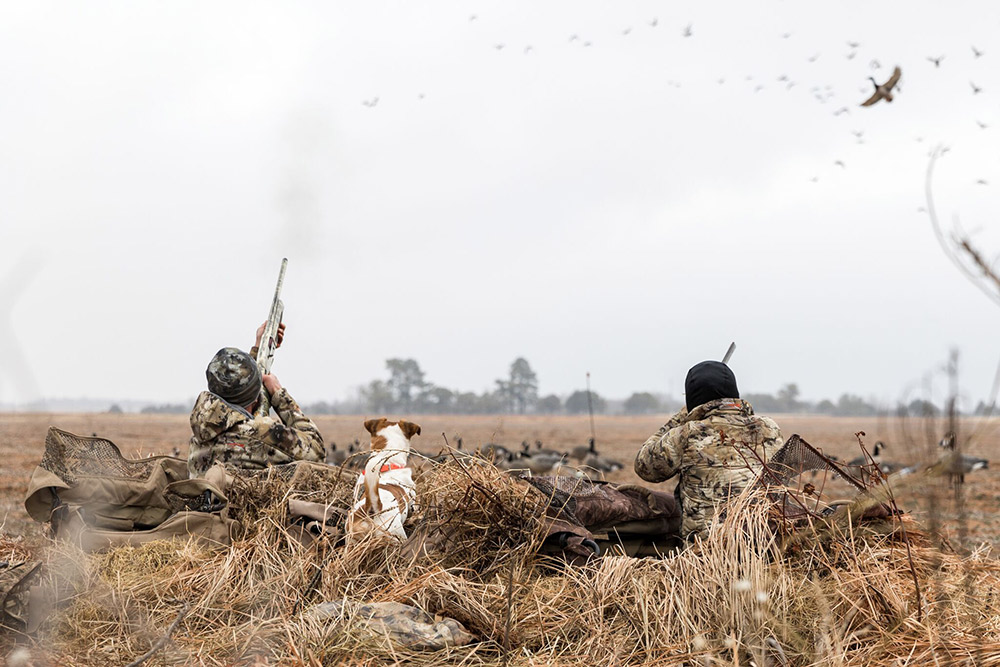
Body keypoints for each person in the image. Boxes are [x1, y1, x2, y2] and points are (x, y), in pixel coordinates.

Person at [634, 360, 782, 540]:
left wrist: (679, 418)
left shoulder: (687, 433)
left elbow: (644, 467)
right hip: (765, 539)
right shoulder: (769, 428)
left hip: (706, 549)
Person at [188, 322, 324, 476]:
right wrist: (279, 395)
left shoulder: (202, 429)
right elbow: (317, 452)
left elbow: (236, 388)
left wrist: (259, 349)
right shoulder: (262, 434)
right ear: (254, 399)